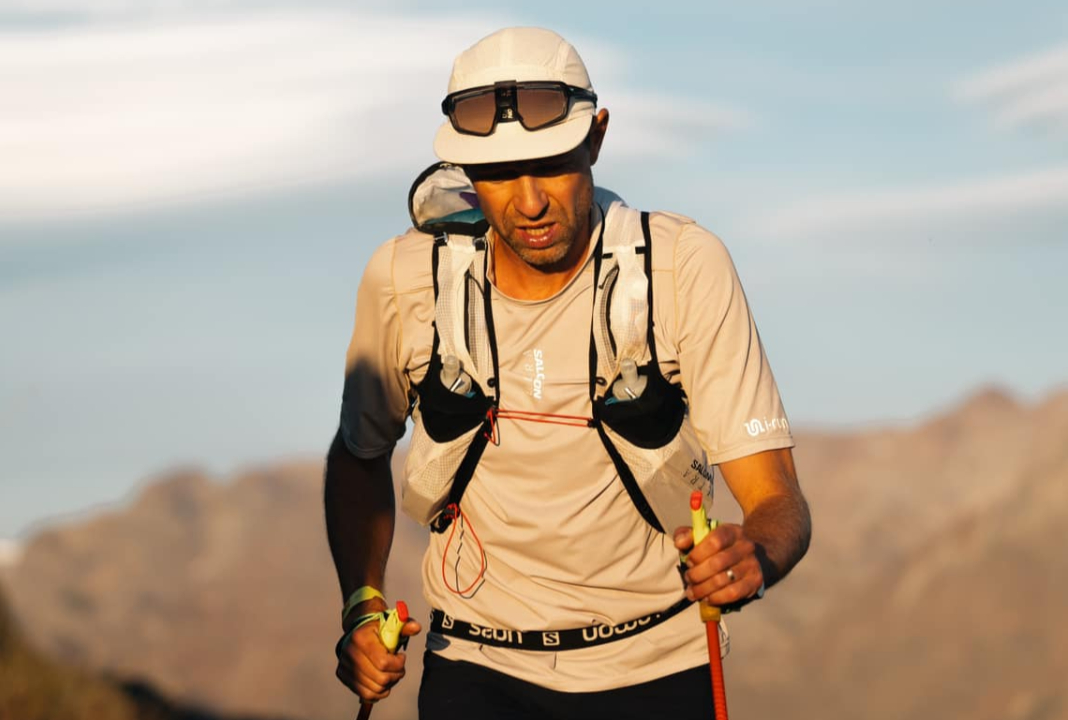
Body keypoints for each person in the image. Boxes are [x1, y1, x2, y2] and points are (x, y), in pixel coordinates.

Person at [325, 26, 811, 719]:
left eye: (550, 164)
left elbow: (777, 497)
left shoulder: (681, 267)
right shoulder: (408, 279)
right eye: (496, 175)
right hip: (473, 669)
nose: (527, 202)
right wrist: (361, 605)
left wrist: (755, 554)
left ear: (596, 139)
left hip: (659, 669)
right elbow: (358, 453)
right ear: (466, 173)